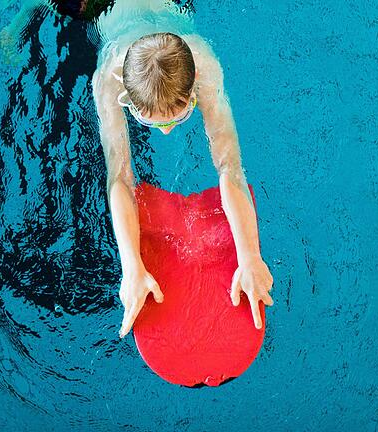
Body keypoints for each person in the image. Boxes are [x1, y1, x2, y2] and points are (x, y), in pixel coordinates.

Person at [91, 1, 274, 338]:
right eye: (150, 121)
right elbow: (119, 176)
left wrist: (250, 256)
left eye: (179, 117)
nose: (166, 131)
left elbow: (230, 166)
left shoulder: (203, 61)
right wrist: (131, 268)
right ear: (127, 100)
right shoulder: (108, 78)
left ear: (194, 91)